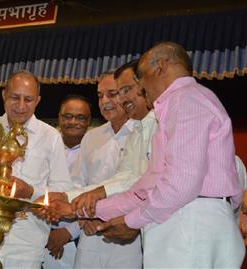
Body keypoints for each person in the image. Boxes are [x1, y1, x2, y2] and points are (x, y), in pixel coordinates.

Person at [94, 42, 245, 268]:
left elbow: (182, 183)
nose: (141, 88)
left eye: (141, 78)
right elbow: (149, 184)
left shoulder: (185, 99)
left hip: (191, 223)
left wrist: (132, 221)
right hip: (186, 220)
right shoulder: (180, 103)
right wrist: (90, 209)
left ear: (161, 67)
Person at [0, 70, 72, 269]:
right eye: (14, 98)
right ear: (3, 95)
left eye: (28, 99)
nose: (20, 106)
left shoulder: (50, 137)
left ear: (38, 100)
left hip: (25, 245)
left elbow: (62, 191)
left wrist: (30, 192)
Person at [66, 70, 141, 269]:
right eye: (100, 96)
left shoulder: (143, 131)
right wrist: (84, 217)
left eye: (112, 94)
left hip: (130, 236)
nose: (104, 101)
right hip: (90, 233)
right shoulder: (92, 137)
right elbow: (77, 183)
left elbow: (141, 184)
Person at [43, 95, 91, 269]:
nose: (73, 122)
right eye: (67, 116)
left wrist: (68, 232)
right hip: (40, 231)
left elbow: (100, 197)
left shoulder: (97, 150)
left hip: (82, 235)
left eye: (80, 118)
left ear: (89, 121)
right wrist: (46, 231)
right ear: (59, 118)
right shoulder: (45, 147)